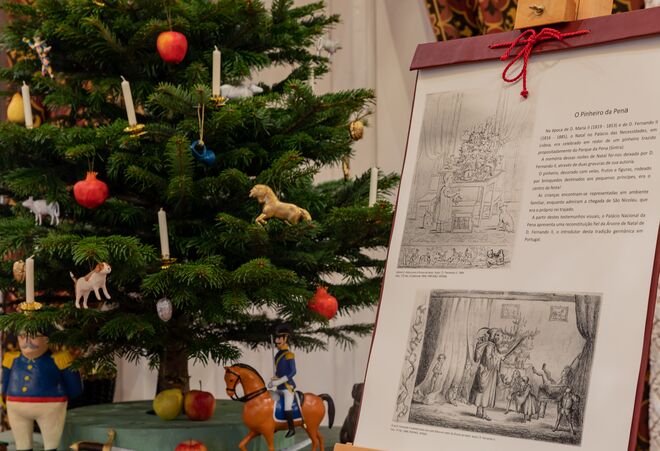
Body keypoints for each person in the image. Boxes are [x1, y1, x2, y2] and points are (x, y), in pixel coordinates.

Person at [2, 328, 83, 451]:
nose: (27, 341)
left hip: (50, 408)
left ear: (47, 339)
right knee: (22, 444)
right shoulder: (11, 359)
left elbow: (75, 388)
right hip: (16, 407)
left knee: (51, 443)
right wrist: (3, 395)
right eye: (22, 336)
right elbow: (5, 383)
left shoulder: (59, 359)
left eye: (33, 336)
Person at [469, 328, 527, 420]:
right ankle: (483, 413)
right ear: (493, 336)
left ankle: (479, 412)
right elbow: (488, 361)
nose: (500, 338)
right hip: (487, 372)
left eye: (500, 336)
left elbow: (493, 358)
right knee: (485, 392)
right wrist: (499, 359)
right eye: (498, 335)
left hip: (488, 372)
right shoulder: (490, 346)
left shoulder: (493, 347)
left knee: (484, 392)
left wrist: (499, 358)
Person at [267, 323, 298, 437]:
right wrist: (275, 378)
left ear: (285, 339)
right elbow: (279, 371)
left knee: (287, 406)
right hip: (279, 386)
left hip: (287, 386)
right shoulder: (277, 355)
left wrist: (279, 381)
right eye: (277, 338)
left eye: (280, 338)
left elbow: (293, 372)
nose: (277, 340)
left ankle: (291, 428)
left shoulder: (289, 355)